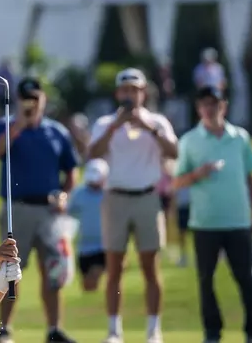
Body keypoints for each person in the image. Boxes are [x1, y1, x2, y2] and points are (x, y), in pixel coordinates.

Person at [87, 68, 178, 343]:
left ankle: (153, 330)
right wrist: (117, 126)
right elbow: (92, 153)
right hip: (116, 197)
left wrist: (147, 127)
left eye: (135, 90)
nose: (130, 95)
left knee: (151, 266)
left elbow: (174, 152)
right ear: (118, 93)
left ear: (143, 93)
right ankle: (115, 331)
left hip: (147, 198)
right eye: (125, 90)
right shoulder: (105, 123)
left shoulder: (157, 121)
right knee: (114, 268)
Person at [0, 77, 79, 343]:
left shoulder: (56, 131)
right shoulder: (6, 125)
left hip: (50, 210)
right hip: (18, 208)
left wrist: (65, 194)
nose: (31, 104)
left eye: (35, 98)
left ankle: (53, 329)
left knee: (53, 270)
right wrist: (19, 126)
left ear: (43, 99)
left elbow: (71, 169)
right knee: (11, 270)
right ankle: (4, 330)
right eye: (26, 99)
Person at [172, 86, 252, 343]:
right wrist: (196, 174)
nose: (209, 108)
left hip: (238, 220)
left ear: (223, 106)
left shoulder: (240, 137)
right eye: (204, 104)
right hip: (205, 222)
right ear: (198, 108)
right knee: (205, 280)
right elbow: (177, 182)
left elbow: (249, 178)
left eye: (214, 103)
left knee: (245, 278)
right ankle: (212, 332)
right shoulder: (190, 140)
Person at [67, 159, 107, 292]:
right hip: (84, 247)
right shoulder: (79, 193)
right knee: (87, 287)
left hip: (104, 245)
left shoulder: (110, 194)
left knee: (95, 276)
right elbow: (68, 212)